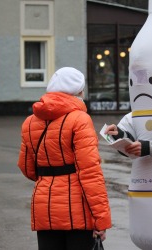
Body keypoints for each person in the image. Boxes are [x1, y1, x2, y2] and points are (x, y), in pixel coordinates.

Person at [17, 67, 111, 250]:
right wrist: (101, 218)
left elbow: (27, 168)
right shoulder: (80, 119)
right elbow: (90, 173)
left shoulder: (29, 122)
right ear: (78, 91)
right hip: (78, 211)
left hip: (44, 207)